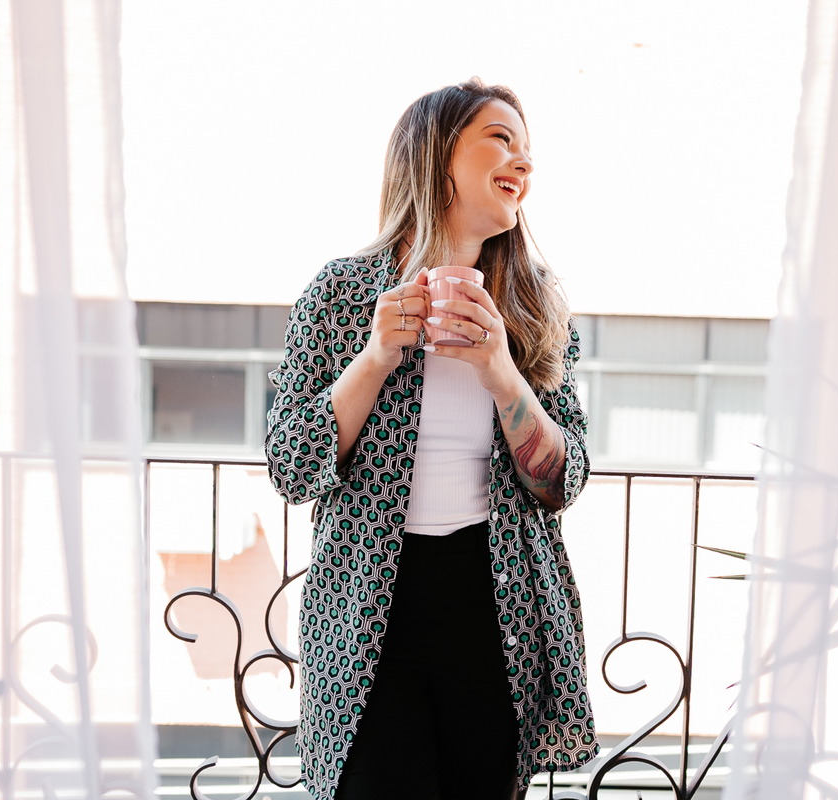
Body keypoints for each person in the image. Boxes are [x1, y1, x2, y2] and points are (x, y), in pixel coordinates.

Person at [266, 77, 596, 800]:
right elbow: (292, 467)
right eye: (501, 140)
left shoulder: (533, 304)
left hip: (496, 607)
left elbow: (560, 483)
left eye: (529, 150)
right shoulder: (343, 293)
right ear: (439, 156)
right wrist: (375, 356)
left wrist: (502, 372)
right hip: (366, 613)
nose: (524, 163)